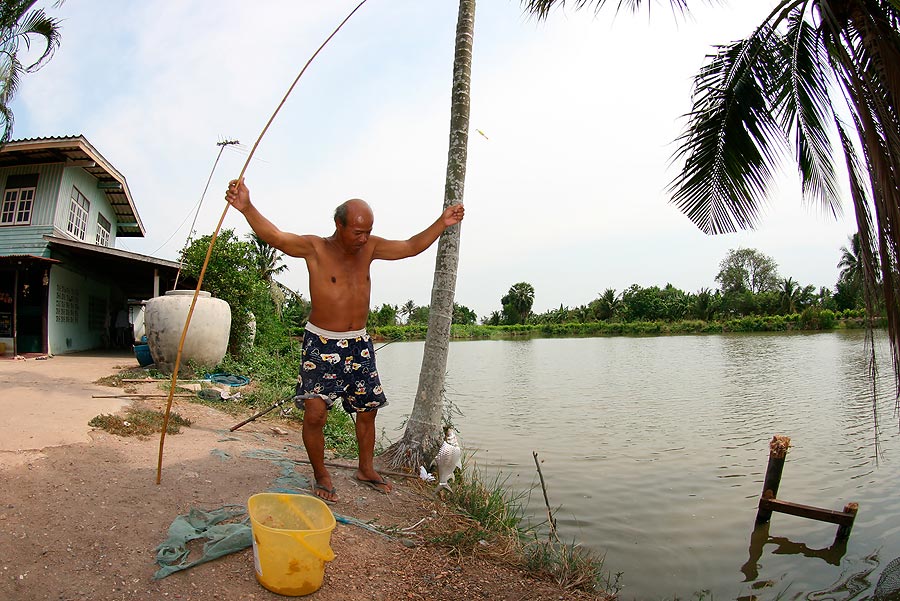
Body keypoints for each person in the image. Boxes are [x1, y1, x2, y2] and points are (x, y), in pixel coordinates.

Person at [225, 179, 464, 503]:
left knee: (367, 411)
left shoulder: (370, 248)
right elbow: (276, 237)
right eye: (356, 232)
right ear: (339, 224)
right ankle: (321, 474)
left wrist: (443, 221)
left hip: (358, 343)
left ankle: (365, 468)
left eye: (367, 231)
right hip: (321, 343)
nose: (363, 238)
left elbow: (409, 246)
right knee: (315, 413)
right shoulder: (315, 248)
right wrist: (247, 207)